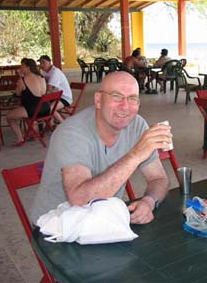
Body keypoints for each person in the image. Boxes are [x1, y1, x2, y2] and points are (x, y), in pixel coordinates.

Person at [30, 71, 172, 225]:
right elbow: (80, 199)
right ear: (98, 100)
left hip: (102, 219)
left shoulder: (137, 125)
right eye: (116, 96)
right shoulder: (71, 133)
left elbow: (158, 178)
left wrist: (148, 202)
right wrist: (136, 154)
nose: (125, 107)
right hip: (56, 225)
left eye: (132, 98)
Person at [6, 58, 50, 146]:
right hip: (46, 108)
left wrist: (20, 77)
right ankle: (32, 133)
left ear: (28, 68)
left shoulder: (23, 79)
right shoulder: (41, 77)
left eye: (22, 66)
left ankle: (19, 138)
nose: (20, 68)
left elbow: (17, 93)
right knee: (24, 110)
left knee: (9, 116)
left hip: (34, 110)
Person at [38, 55, 73, 123]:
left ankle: (63, 125)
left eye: (43, 62)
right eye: (40, 63)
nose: (41, 65)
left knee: (48, 109)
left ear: (50, 62)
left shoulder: (55, 72)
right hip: (55, 97)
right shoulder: (44, 72)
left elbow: (49, 89)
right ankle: (53, 122)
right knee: (40, 106)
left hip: (64, 98)